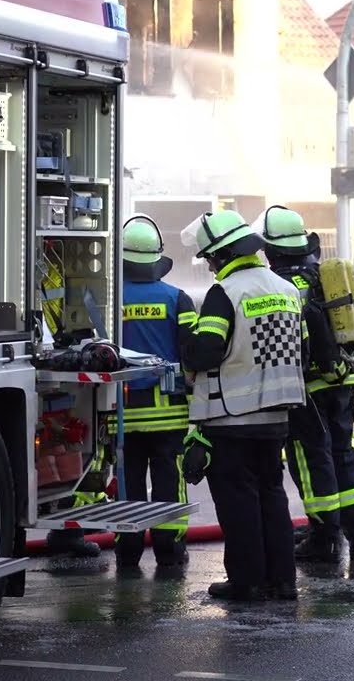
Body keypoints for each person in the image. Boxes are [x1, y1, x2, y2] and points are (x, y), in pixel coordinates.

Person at [179, 210, 306, 602]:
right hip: (277, 417)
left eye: (210, 258)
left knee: (239, 504)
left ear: (221, 255)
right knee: (272, 495)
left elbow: (206, 351)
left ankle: (247, 582)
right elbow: (302, 346)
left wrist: (184, 337)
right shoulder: (285, 289)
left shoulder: (226, 293)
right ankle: (282, 582)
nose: (210, 266)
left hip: (232, 418)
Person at [253, 206, 344, 562]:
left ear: (271, 248)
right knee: (334, 455)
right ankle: (335, 528)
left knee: (307, 459)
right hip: (338, 380)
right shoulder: (320, 275)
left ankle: (323, 537)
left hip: (304, 386)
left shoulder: (281, 284)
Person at [110, 214, 195, 572]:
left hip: (121, 416)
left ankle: (127, 552)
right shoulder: (178, 299)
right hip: (169, 414)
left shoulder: (108, 301)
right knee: (168, 484)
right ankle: (169, 551)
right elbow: (193, 356)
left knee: (127, 486)